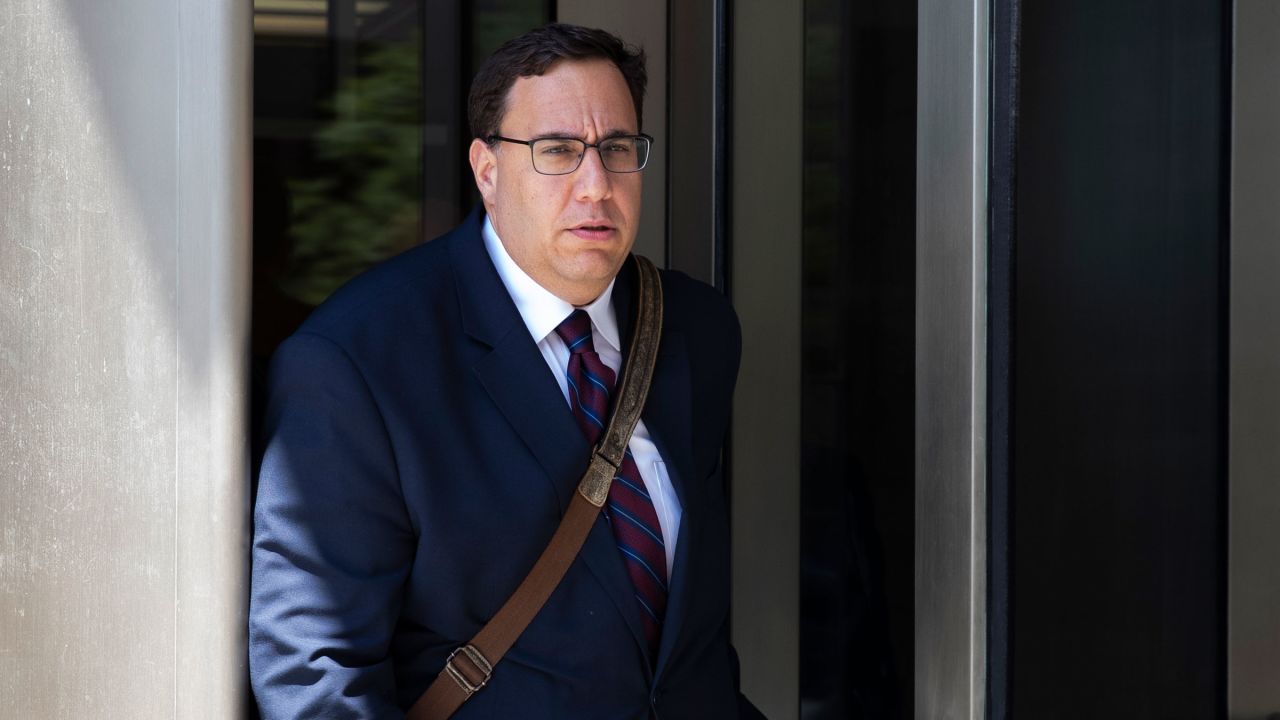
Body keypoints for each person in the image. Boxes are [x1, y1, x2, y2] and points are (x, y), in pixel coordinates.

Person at [250, 23, 762, 719]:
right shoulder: (358, 361)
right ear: (487, 172)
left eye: (617, 149)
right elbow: (315, 672)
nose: (596, 186)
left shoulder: (696, 331)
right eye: (557, 151)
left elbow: (682, 643)